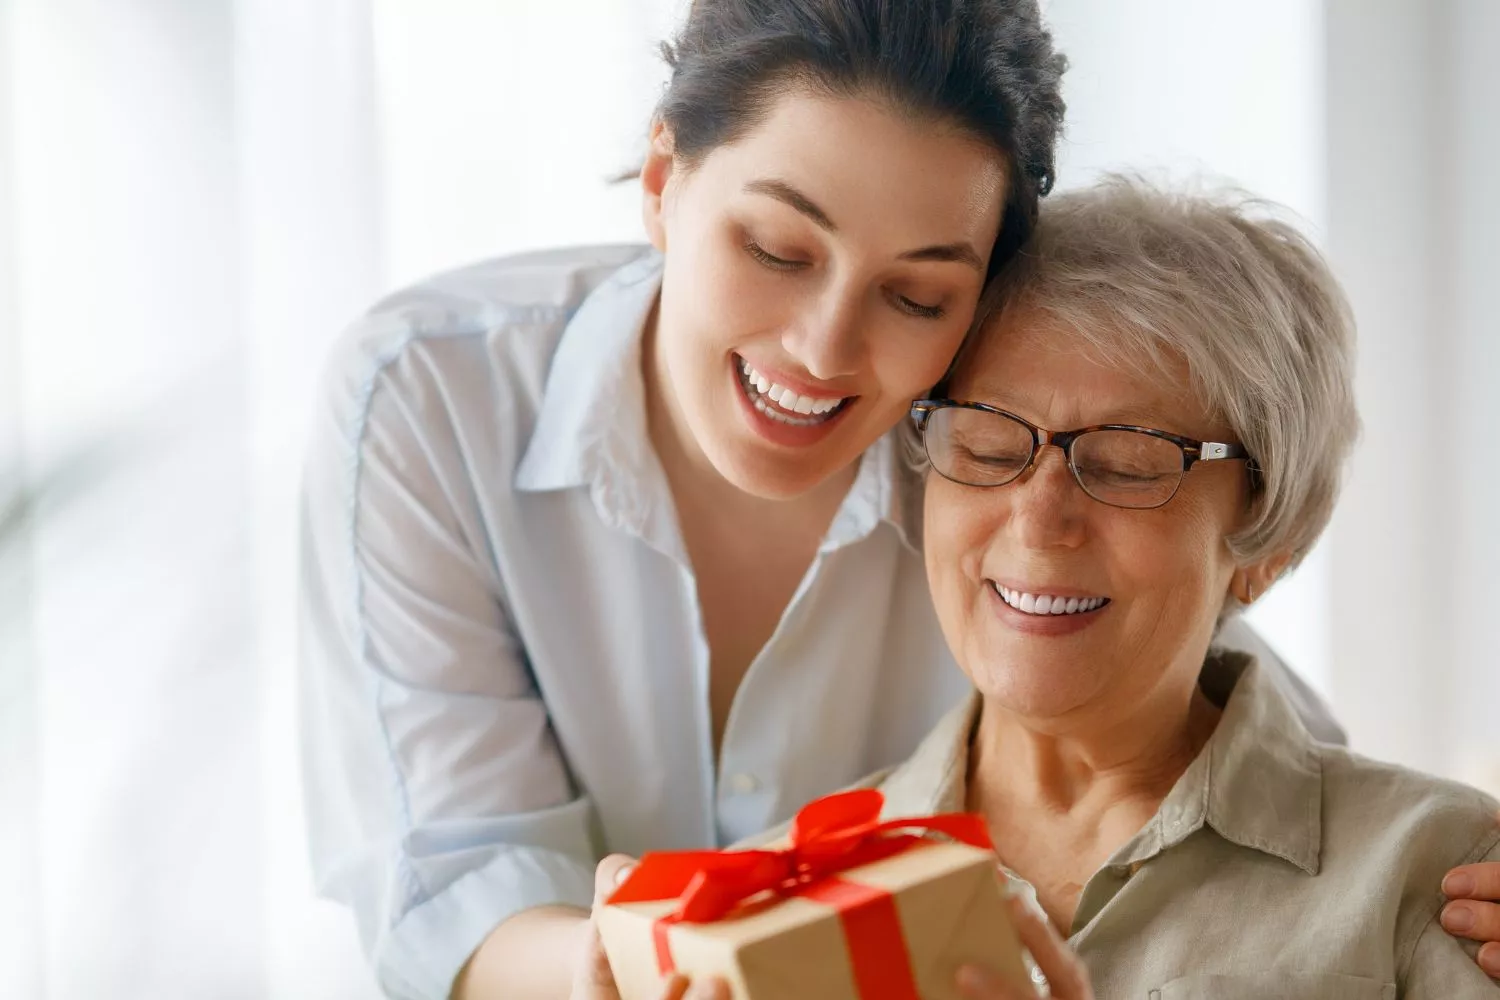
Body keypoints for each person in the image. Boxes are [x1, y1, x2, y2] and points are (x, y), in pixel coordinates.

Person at [296, 2, 1500, 997]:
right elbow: (453, 888)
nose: (824, 350)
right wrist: (693, 960)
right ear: (662, 179)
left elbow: (1219, 683)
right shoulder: (433, 397)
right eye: (776, 247)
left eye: (918, 297)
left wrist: (1413, 861)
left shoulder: (973, 432)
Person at [808, 178, 1499, 998]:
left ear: (1264, 539)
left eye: (1127, 465)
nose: (1039, 517)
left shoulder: (1438, 873)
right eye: (990, 446)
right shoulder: (784, 895)